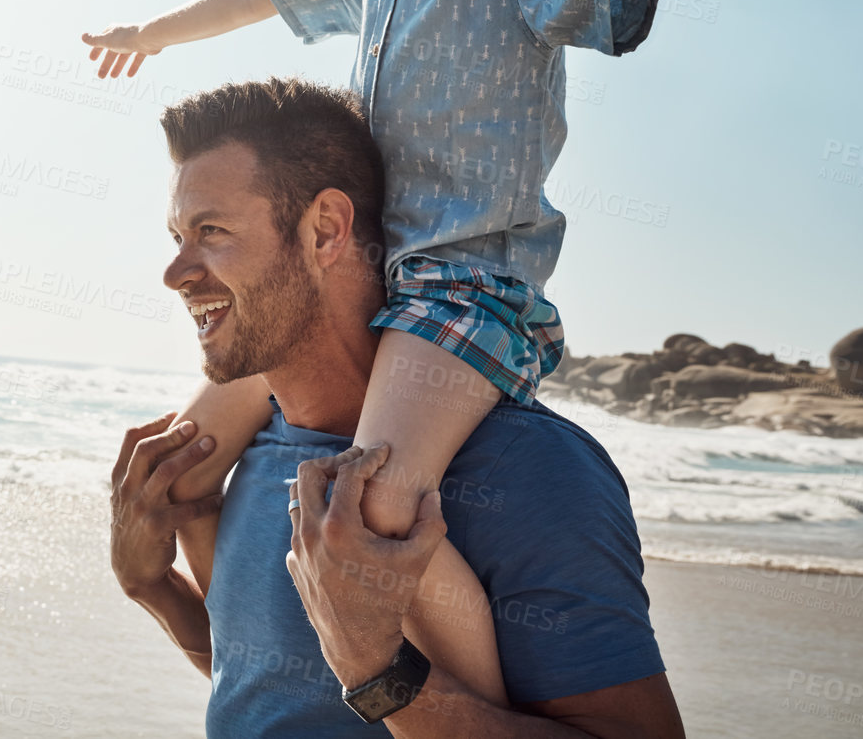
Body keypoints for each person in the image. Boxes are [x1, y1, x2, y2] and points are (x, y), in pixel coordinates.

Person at [84, 0, 829, 703]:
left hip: (458, 293)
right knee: (185, 457)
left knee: (371, 504)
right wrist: (151, 31)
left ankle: (461, 698)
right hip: (363, 272)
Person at [109, 77, 685, 736]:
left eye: (210, 231)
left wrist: (377, 672)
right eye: (177, 236)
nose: (174, 272)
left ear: (325, 230)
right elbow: (264, 690)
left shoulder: (531, 468)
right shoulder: (253, 449)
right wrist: (150, 588)